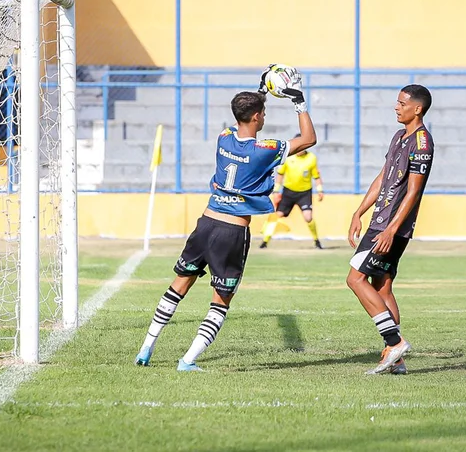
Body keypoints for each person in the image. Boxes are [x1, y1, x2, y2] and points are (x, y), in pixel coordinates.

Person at [135, 67, 316, 371]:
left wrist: (261, 89)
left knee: (179, 284)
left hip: (205, 223)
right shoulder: (265, 149)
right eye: (263, 112)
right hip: (232, 231)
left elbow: (244, 114)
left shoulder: (224, 137)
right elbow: (308, 139)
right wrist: (298, 101)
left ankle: (146, 348)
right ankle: (187, 360)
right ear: (258, 117)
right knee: (221, 300)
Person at [346, 84, 434, 375]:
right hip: (379, 221)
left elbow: (413, 193)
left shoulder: (422, 143)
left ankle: (394, 342)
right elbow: (383, 177)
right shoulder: (399, 136)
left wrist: (391, 230)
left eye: (401, 103)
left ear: (417, 108)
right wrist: (359, 212)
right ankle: (396, 361)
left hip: (391, 227)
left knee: (355, 278)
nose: (397, 107)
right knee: (382, 286)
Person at [259, 149, 324, 249]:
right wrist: (276, 191)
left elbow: (316, 175)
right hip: (288, 192)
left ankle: (317, 241)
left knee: (308, 217)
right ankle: (265, 241)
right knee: (277, 215)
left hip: (304, 192)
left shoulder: (311, 158)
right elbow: (280, 174)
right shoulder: (288, 157)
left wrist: (320, 190)